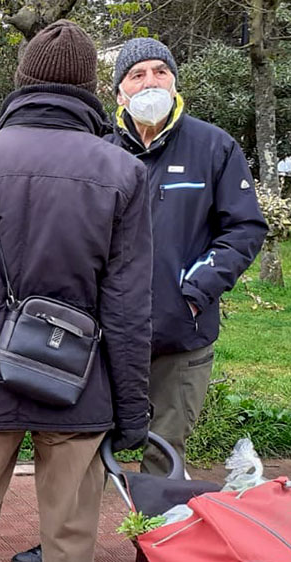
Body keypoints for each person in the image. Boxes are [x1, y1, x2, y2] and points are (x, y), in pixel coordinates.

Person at [0, 21, 152, 562]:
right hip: (78, 373)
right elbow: (128, 306)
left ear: (22, 80)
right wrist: (132, 409)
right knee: (71, 537)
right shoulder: (122, 171)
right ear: (90, 87)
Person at [110, 38, 268, 474]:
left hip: (182, 332)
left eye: (161, 71)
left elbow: (244, 228)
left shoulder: (214, 147)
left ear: (175, 80)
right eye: (137, 74)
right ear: (119, 91)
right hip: (105, 333)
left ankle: (156, 542)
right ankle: (73, 543)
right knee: (85, 446)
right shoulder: (98, 148)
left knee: (166, 451)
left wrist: (196, 291)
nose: (151, 82)